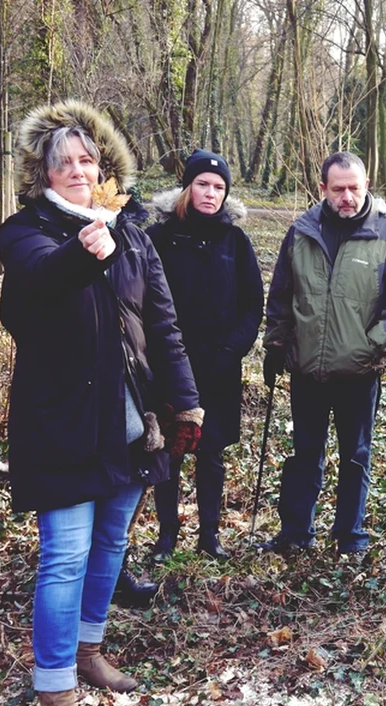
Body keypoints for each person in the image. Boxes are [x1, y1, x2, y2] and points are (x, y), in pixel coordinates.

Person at [0, 100, 202, 706]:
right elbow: (34, 284)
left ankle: (89, 648)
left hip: (129, 420)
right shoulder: (27, 231)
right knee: (65, 553)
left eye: (88, 160)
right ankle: (54, 702)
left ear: (105, 166)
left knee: (111, 539)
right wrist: (88, 252)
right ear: (44, 176)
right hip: (61, 422)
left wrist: (187, 403)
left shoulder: (134, 233)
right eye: (64, 163)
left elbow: (164, 325)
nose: (79, 171)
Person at [258, 152, 386, 558]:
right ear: (322, 189)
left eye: (354, 188)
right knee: (305, 454)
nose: (347, 197)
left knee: (356, 456)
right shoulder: (301, 232)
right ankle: (295, 533)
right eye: (338, 189)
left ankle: (350, 537)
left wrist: (371, 347)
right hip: (307, 367)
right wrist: (276, 344)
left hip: (359, 371)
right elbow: (280, 296)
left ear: (367, 185)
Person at [147, 149, 263, 562]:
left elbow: (253, 304)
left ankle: (210, 536)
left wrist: (233, 348)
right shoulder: (159, 237)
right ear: (188, 187)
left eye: (218, 187)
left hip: (219, 366)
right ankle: (166, 537)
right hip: (171, 365)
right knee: (169, 450)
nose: (210, 193)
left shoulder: (235, 240)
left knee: (211, 452)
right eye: (203, 184)